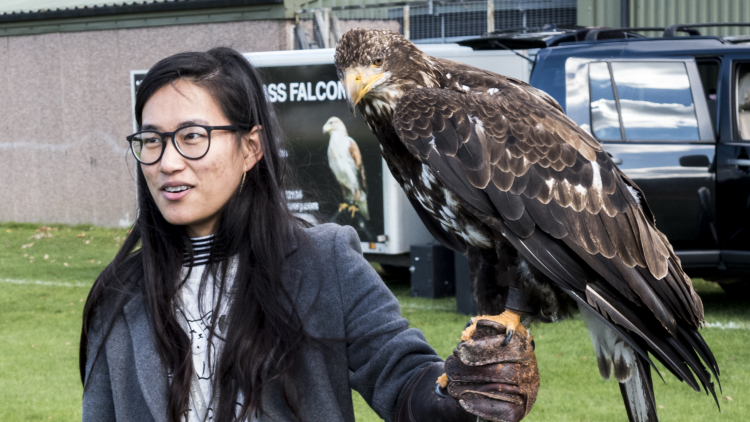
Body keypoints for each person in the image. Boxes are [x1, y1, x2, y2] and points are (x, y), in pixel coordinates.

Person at [79, 47, 538, 422]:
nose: (167, 161)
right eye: (151, 140)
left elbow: (403, 380)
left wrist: (459, 394)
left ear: (251, 148)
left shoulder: (324, 261)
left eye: (193, 136)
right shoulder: (119, 296)